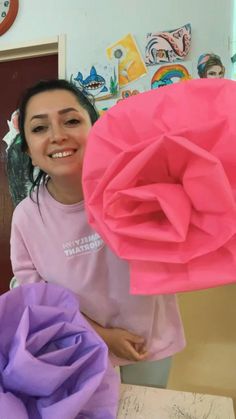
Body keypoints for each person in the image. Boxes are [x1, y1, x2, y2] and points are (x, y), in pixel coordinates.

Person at [10, 79, 185, 387]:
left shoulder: (138, 187)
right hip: (75, 344)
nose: (58, 136)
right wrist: (101, 335)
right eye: (39, 128)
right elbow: (37, 296)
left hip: (148, 342)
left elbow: (180, 245)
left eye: (72, 121)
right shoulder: (27, 217)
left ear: (97, 129)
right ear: (28, 149)